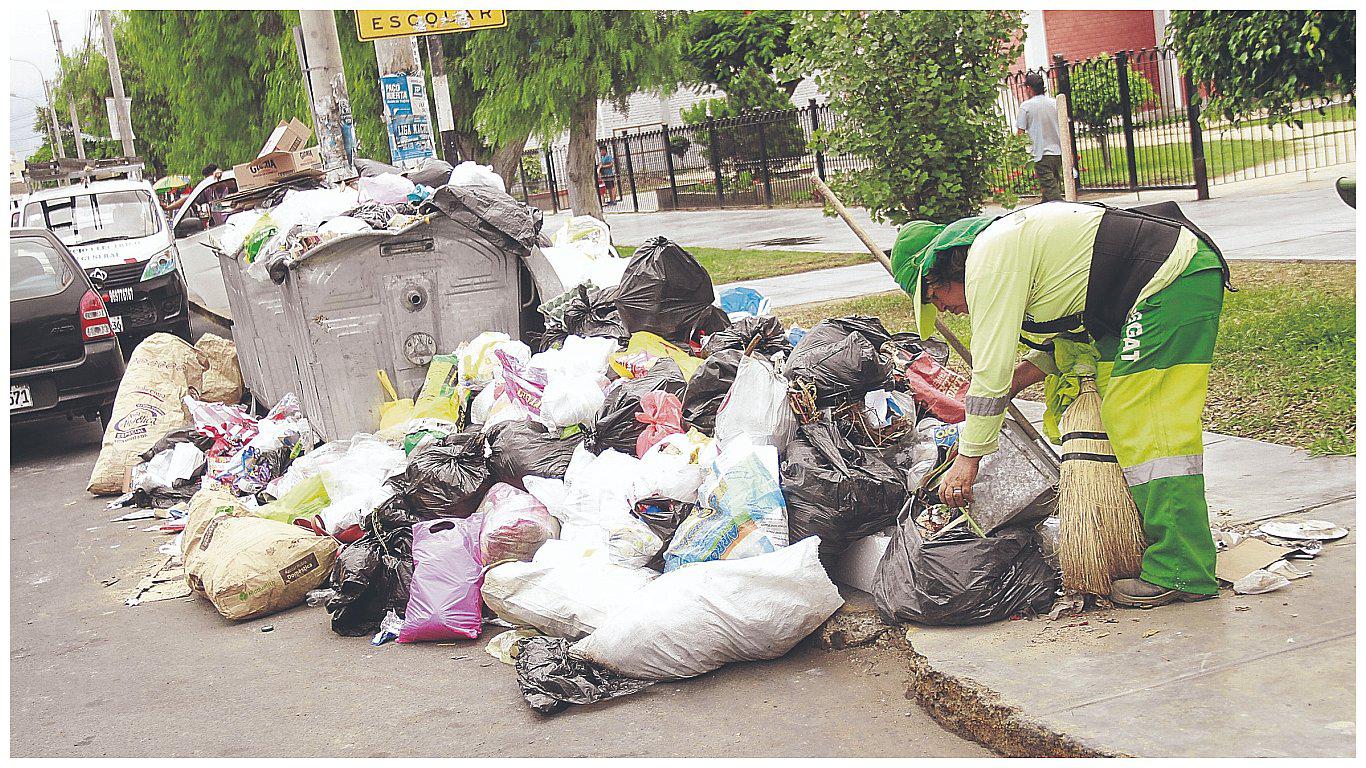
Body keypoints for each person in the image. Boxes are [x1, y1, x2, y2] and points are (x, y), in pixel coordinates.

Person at [890, 201, 1232, 608]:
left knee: (1145, 419)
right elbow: (1072, 338)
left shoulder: (990, 260)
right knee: (1124, 414)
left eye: (935, 295)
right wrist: (1018, 380)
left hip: (1168, 281)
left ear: (947, 269)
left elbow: (989, 371)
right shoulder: (1011, 253)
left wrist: (969, 458)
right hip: (1147, 290)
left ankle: (1182, 568)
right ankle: (1154, 539)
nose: (943, 308)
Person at [1017, 72, 1064, 202]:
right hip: (1058, 153)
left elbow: (1020, 133)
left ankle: (1063, 209)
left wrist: (1020, 153)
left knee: (1052, 192)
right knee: (1050, 189)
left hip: (1041, 154)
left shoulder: (1026, 106)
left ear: (1029, 88)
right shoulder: (1055, 103)